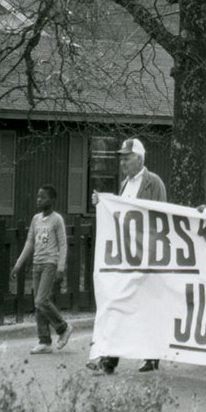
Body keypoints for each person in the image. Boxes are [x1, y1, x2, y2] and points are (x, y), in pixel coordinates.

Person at [88, 137, 167, 374]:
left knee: (145, 307)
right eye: (121, 158)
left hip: (146, 255)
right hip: (126, 256)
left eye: (127, 157)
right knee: (119, 303)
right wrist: (101, 204)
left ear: (140, 158)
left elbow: (160, 217)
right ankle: (109, 359)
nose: (122, 162)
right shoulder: (124, 184)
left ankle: (151, 355)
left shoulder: (153, 183)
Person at [13, 185, 72, 355]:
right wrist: (18, 264)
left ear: (52, 200)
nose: (39, 200)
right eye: (38, 197)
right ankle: (44, 341)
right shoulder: (35, 219)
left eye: (43, 197)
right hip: (37, 264)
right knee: (38, 304)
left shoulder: (57, 219)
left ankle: (64, 328)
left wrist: (60, 267)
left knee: (41, 300)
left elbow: (62, 244)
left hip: (50, 264)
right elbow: (30, 242)